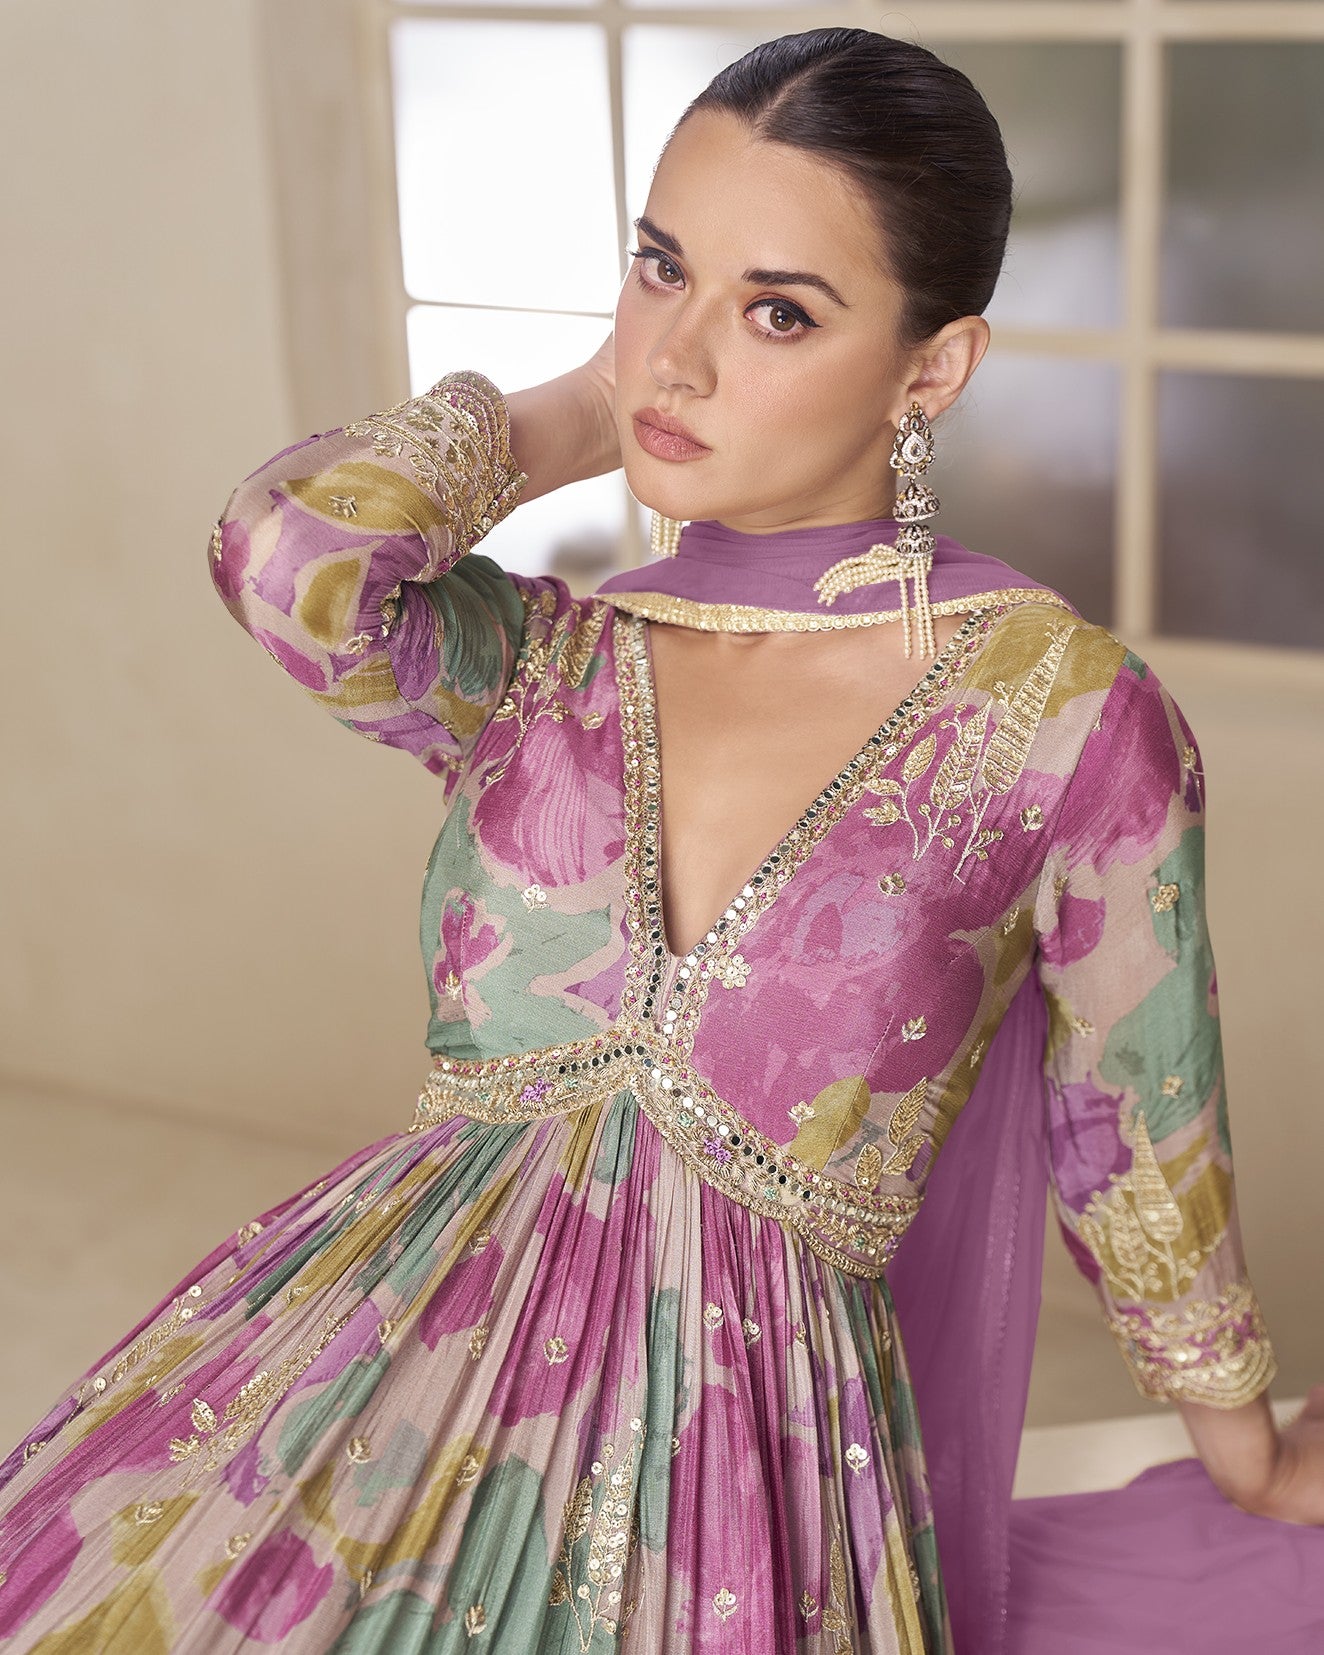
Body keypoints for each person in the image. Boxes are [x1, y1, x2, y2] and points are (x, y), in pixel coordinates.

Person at [1, 25, 1322, 1655]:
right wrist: (566, 413)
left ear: (934, 368)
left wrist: (1244, 1446)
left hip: (742, 1484)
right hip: (385, 1371)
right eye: (659, 267)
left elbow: (1139, 1123)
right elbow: (291, 558)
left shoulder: (1056, 716)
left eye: (778, 310)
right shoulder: (547, 663)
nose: (679, 360)